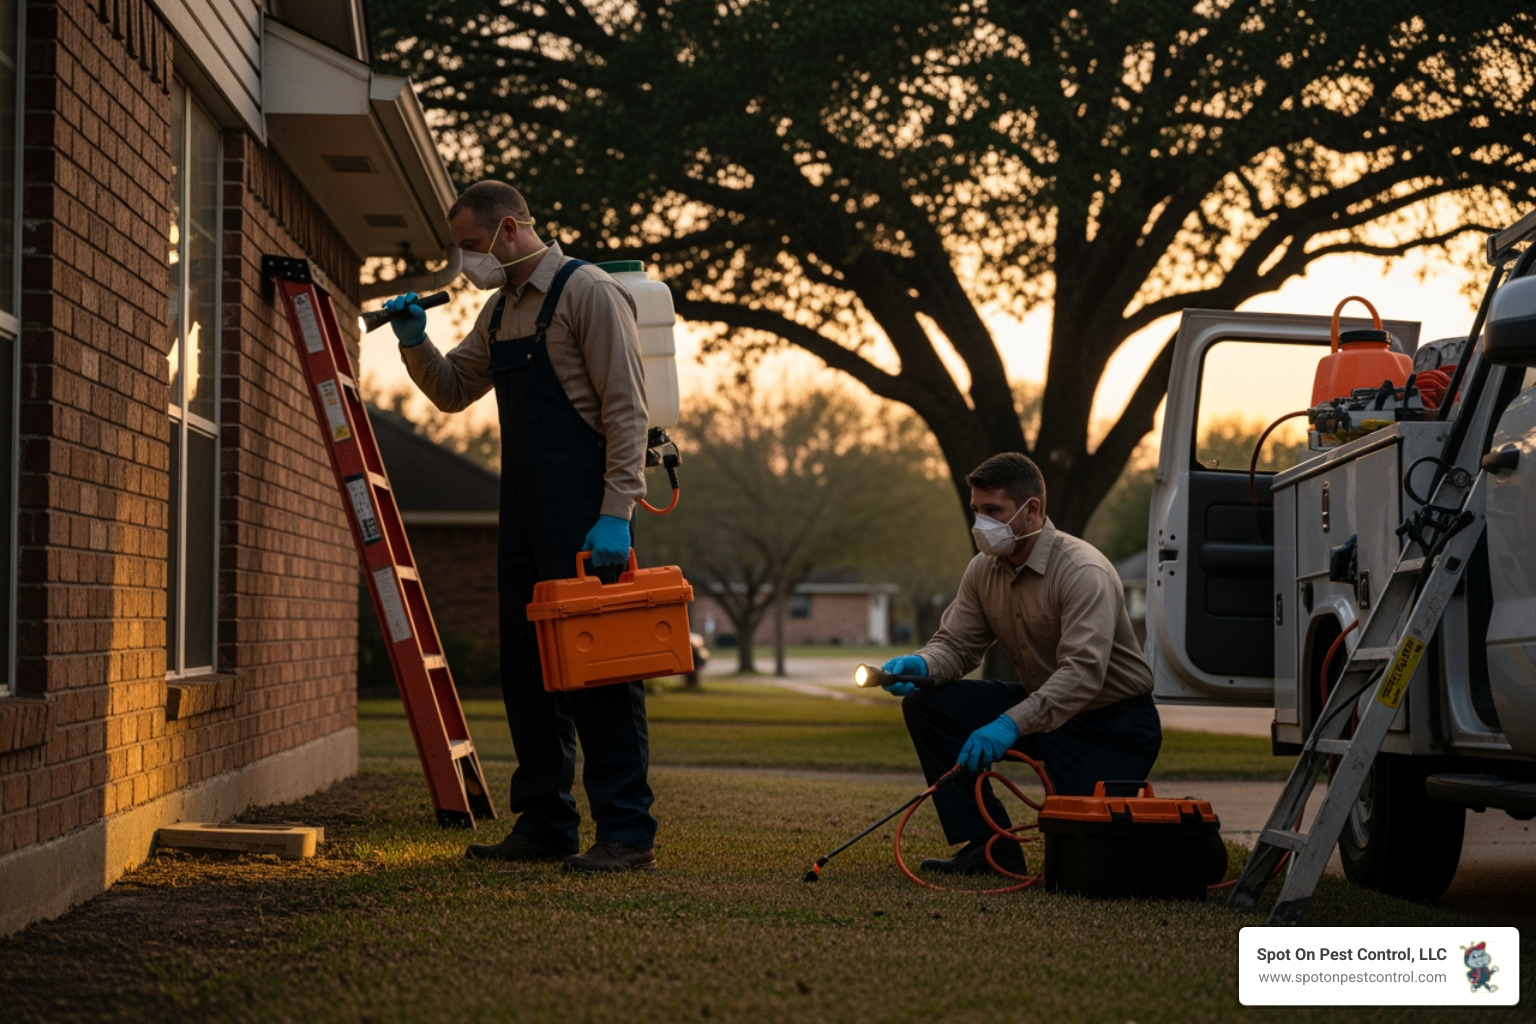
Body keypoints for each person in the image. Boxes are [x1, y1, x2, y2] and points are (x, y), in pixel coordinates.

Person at [383, 181, 657, 872]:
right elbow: (451, 391)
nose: (465, 264)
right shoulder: (501, 309)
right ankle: (545, 824)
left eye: (471, 247)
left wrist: (615, 516)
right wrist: (416, 343)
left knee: (600, 673)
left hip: (587, 513)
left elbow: (628, 412)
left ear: (508, 229)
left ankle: (626, 833)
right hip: (524, 509)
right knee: (525, 668)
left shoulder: (588, 293)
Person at [878, 452, 1161, 875]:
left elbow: (1082, 674)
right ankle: (989, 848)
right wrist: (921, 665)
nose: (981, 524)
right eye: (976, 510)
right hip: (1042, 712)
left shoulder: (1083, 571)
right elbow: (957, 645)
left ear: (1032, 510)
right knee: (927, 706)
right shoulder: (982, 571)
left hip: (1111, 725)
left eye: (993, 511)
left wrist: (1009, 724)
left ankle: (1187, 851)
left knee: (1089, 864)